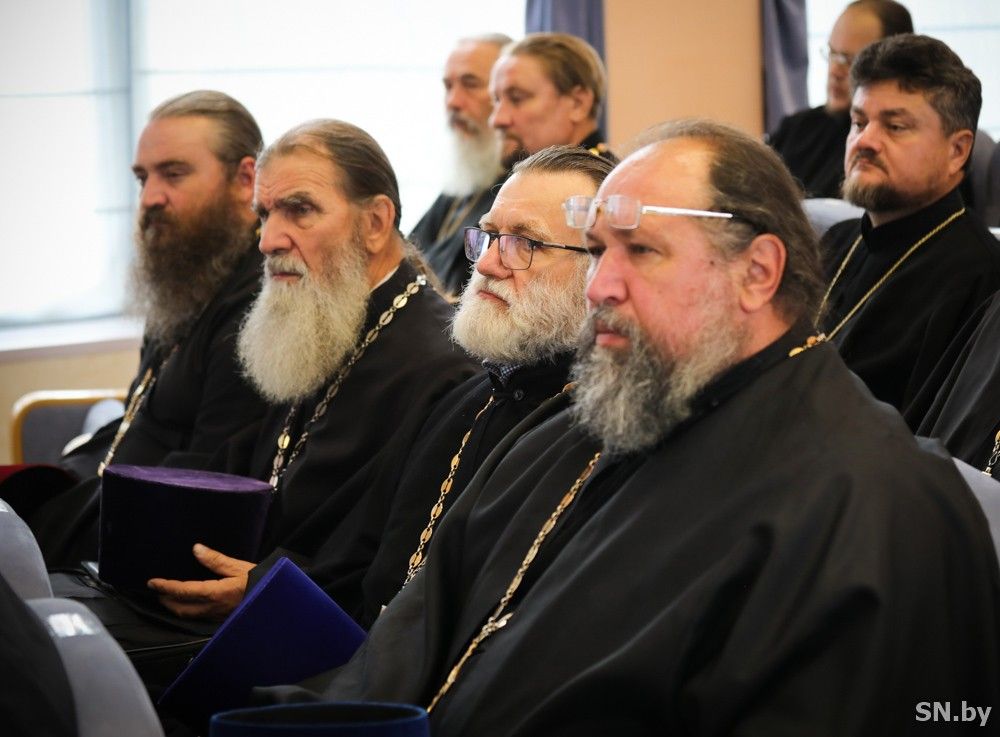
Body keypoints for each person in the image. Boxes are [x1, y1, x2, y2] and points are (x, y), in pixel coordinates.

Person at [256, 120, 1000, 736]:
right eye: (598, 250)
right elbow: (409, 641)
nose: (601, 284)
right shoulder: (579, 424)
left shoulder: (873, 502)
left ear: (758, 272)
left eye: (639, 250)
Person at [249, 145, 613, 628]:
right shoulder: (463, 401)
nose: (486, 265)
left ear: (601, 267)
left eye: (525, 243)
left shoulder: (601, 431)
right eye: (489, 236)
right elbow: (361, 566)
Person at [140, 119, 478, 623]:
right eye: (264, 214)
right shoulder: (319, 322)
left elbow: (402, 570)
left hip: (320, 630)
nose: (268, 240)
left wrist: (269, 588)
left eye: (299, 210)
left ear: (375, 223)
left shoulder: (447, 369)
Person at [8, 90, 271, 566]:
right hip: (106, 498)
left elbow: (201, 491)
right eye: (142, 178)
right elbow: (140, 417)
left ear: (245, 179)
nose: (150, 198)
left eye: (174, 173)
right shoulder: (192, 272)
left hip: (145, 540)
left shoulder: (257, 307)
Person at [818, 33, 1000, 427]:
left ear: (957, 151)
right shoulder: (834, 241)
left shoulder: (983, 279)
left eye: (895, 126)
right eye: (858, 122)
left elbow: (935, 440)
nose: (865, 141)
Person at [768, 1, 912, 198]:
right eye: (832, 54)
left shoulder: (888, 148)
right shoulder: (795, 129)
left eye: (850, 60)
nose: (835, 70)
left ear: (894, 65)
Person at [409, 34, 511, 297]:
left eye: (470, 84)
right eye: (448, 86)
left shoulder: (516, 189)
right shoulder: (466, 179)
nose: (453, 101)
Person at [491, 32, 614, 172]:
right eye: (496, 100)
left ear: (578, 104)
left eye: (517, 98)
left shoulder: (607, 183)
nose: (496, 120)